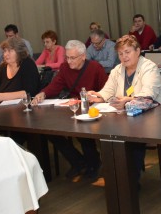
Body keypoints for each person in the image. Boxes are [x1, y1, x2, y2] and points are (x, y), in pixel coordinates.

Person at [87, 35, 161, 182]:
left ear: (138, 51)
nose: (124, 57)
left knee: (133, 137)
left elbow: (148, 94)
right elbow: (108, 90)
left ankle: (131, 181)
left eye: (127, 52)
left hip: (157, 114)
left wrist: (127, 100)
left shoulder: (149, 67)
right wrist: (98, 96)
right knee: (106, 134)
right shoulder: (117, 69)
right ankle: (117, 175)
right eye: (120, 53)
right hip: (128, 116)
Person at [31, 40, 108, 182]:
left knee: (83, 131)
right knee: (51, 131)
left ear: (83, 56)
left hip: (92, 108)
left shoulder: (95, 67)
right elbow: (56, 85)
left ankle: (93, 163)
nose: (69, 61)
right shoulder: (65, 67)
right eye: (67, 57)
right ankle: (77, 161)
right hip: (73, 106)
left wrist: (96, 98)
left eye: (73, 58)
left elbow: (106, 90)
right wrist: (43, 93)